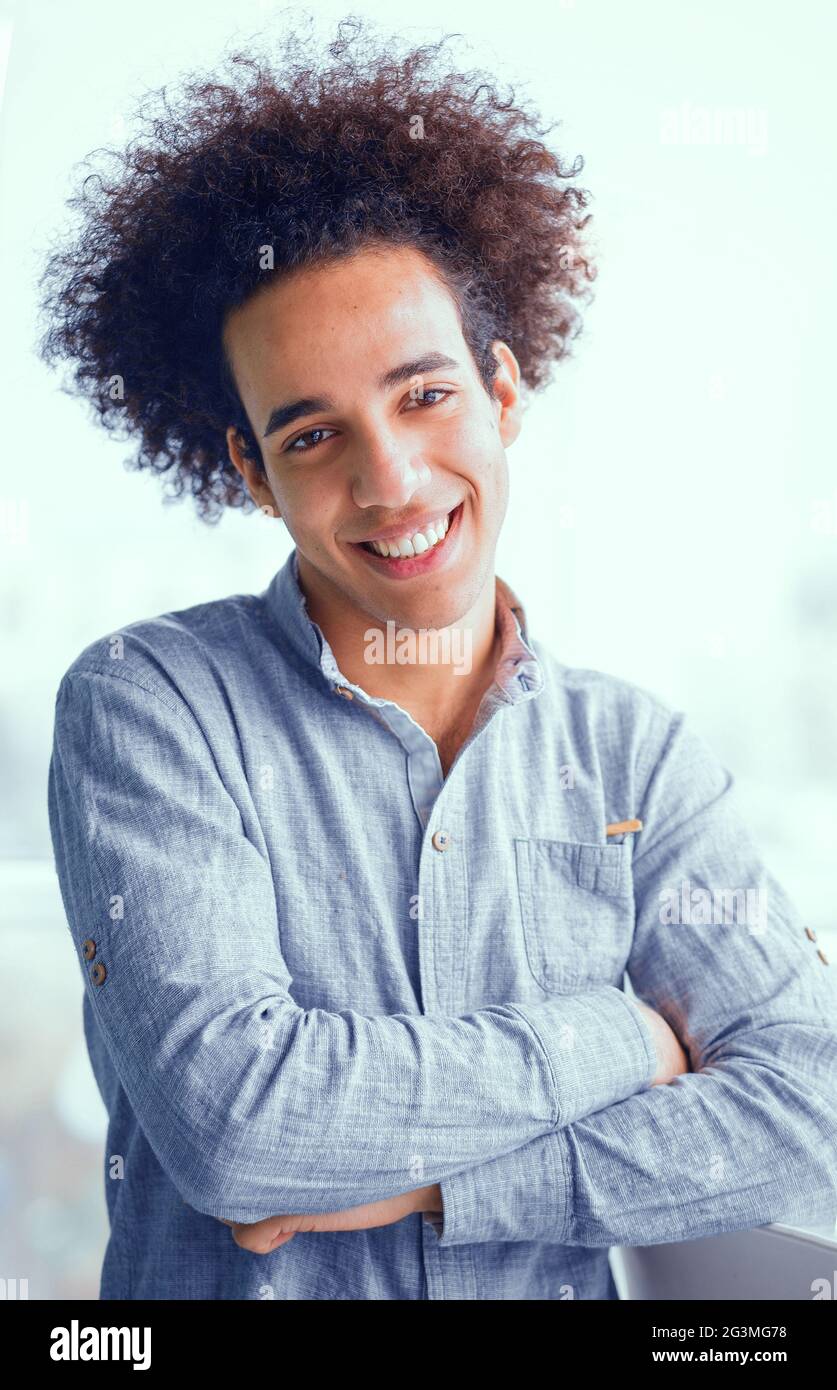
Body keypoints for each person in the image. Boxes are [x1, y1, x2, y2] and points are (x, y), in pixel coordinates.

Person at [40, 20, 837, 1300]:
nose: (392, 481)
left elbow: (807, 1106)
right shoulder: (150, 710)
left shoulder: (640, 757)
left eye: (425, 395)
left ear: (504, 388)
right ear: (250, 470)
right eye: (312, 436)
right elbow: (244, 1131)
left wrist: (437, 1186)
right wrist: (626, 1039)